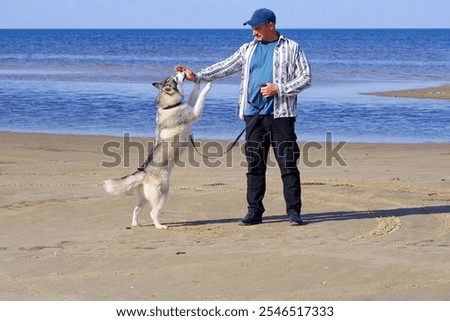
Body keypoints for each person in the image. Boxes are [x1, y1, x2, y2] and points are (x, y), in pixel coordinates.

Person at [176, 8, 311, 226]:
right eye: (252, 28)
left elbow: (306, 78)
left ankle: (294, 212)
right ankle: (254, 212)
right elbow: (226, 66)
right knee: (255, 165)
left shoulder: (292, 48)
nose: (253, 32)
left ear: (270, 26)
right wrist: (197, 76)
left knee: (288, 164)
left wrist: (280, 88)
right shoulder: (247, 49)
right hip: (253, 115)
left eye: (257, 28)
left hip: (282, 115)